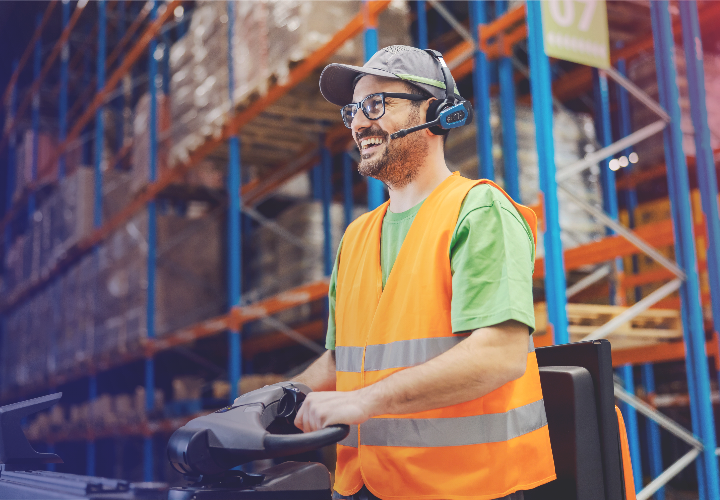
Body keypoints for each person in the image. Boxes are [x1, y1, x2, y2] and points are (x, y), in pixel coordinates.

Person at [292, 45, 555, 500]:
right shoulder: (356, 236)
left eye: (376, 104)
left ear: (437, 113)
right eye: (353, 110)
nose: (357, 123)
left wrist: (365, 401)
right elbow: (342, 360)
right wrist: (275, 398)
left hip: (464, 487)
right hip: (363, 485)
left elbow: (500, 354)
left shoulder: (479, 211)